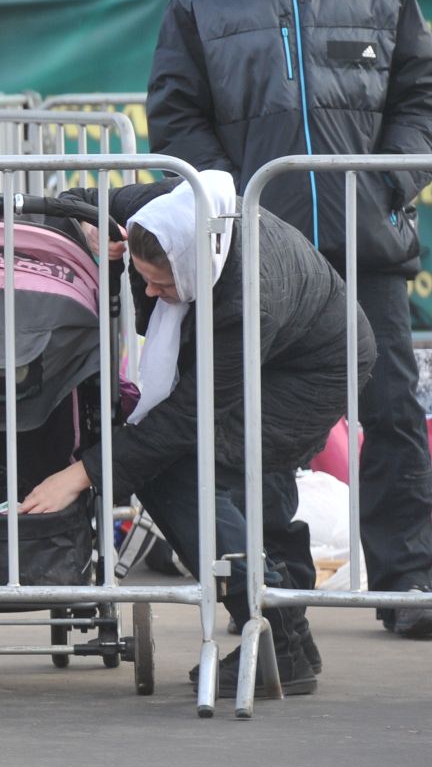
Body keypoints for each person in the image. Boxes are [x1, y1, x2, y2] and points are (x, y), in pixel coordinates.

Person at [147, 0, 432, 640]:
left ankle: (410, 583)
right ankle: (279, 584)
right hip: (261, 258)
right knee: (264, 426)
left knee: (392, 413)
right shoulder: (199, 4)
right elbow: (177, 118)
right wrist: (236, 206)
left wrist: (389, 184)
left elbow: (419, 99)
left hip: (365, 244)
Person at [22, 174, 372, 695]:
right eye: (143, 279)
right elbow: (73, 199)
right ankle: (285, 635)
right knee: (240, 477)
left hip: (314, 371)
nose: (148, 292)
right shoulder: (157, 208)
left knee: (177, 472)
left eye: (162, 285)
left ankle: (275, 632)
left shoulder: (244, 301)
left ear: (195, 267)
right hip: (283, 343)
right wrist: (90, 226)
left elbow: (184, 421)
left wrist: (81, 474)